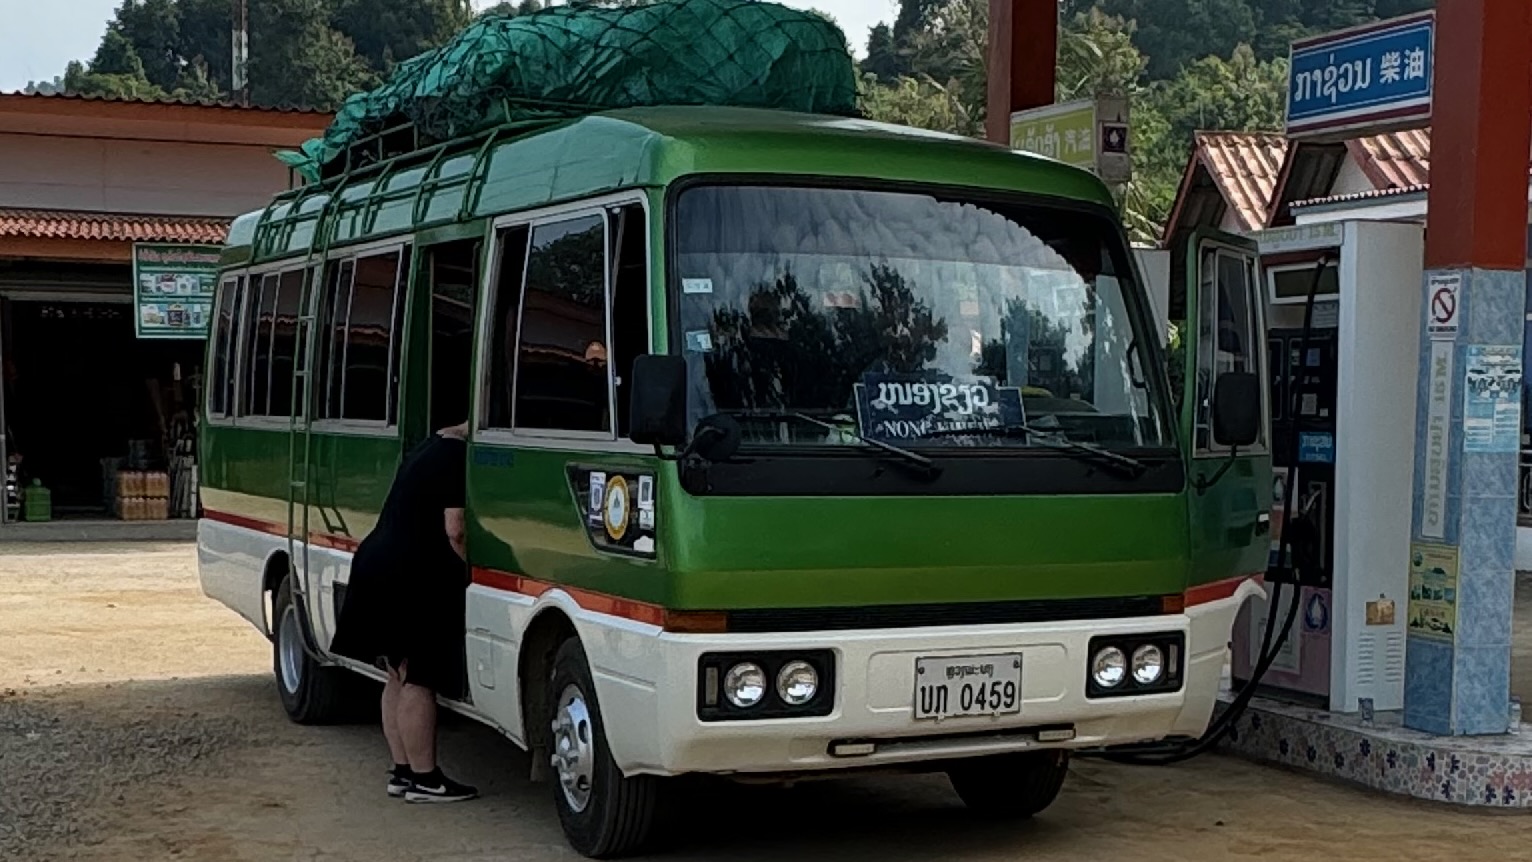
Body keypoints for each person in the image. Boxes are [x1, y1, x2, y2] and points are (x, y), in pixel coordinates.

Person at [329, 421, 477, 803]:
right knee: (419, 678)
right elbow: (455, 529)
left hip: (376, 562)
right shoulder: (457, 456)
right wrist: (466, 573)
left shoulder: (430, 445)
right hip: (409, 572)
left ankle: (403, 772)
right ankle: (427, 781)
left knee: (396, 672)